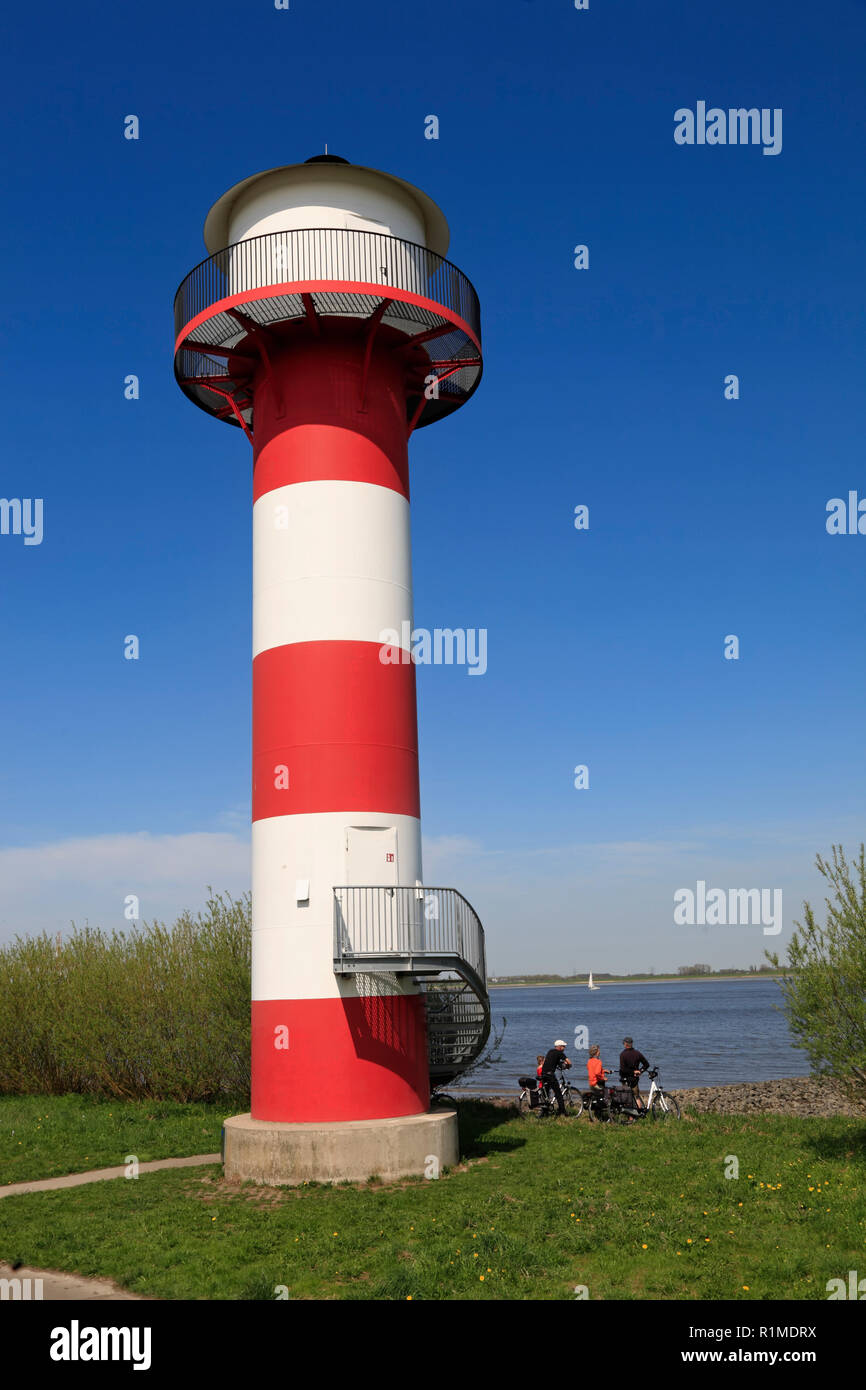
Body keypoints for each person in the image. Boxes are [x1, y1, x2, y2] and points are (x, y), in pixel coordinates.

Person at [541, 1039, 572, 1115]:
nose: (564, 1048)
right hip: (550, 1075)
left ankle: (544, 1111)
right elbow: (569, 1062)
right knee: (558, 1093)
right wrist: (569, 1066)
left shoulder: (550, 1052)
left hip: (543, 1074)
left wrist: (563, 1066)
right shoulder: (559, 1053)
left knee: (546, 1093)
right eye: (563, 1046)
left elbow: (557, 1064)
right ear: (560, 1047)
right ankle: (562, 1111)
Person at [619, 1036, 650, 1110]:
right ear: (631, 1044)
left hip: (625, 1079)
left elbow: (623, 1069)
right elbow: (646, 1065)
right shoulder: (637, 1053)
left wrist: (633, 1071)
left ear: (625, 1044)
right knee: (637, 1097)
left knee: (627, 1097)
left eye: (624, 1043)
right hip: (634, 1079)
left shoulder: (623, 1054)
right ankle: (639, 1112)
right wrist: (640, 1071)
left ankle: (630, 1116)